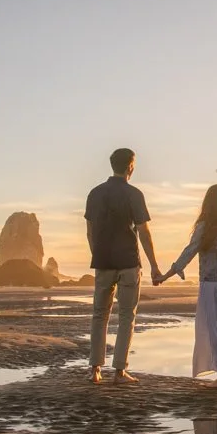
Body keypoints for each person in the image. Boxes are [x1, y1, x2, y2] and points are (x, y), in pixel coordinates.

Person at [85, 148, 166, 384]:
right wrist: (154, 265)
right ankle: (119, 371)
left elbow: (90, 231)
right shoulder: (134, 194)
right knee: (126, 316)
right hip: (129, 261)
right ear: (130, 166)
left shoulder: (95, 193)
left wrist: (97, 253)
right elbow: (143, 231)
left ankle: (95, 370)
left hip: (103, 261)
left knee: (99, 314)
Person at [154, 184, 217, 388]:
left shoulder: (206, 225)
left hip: (212, 283)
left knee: (216, 329)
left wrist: (167, 275)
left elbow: (189, 252)